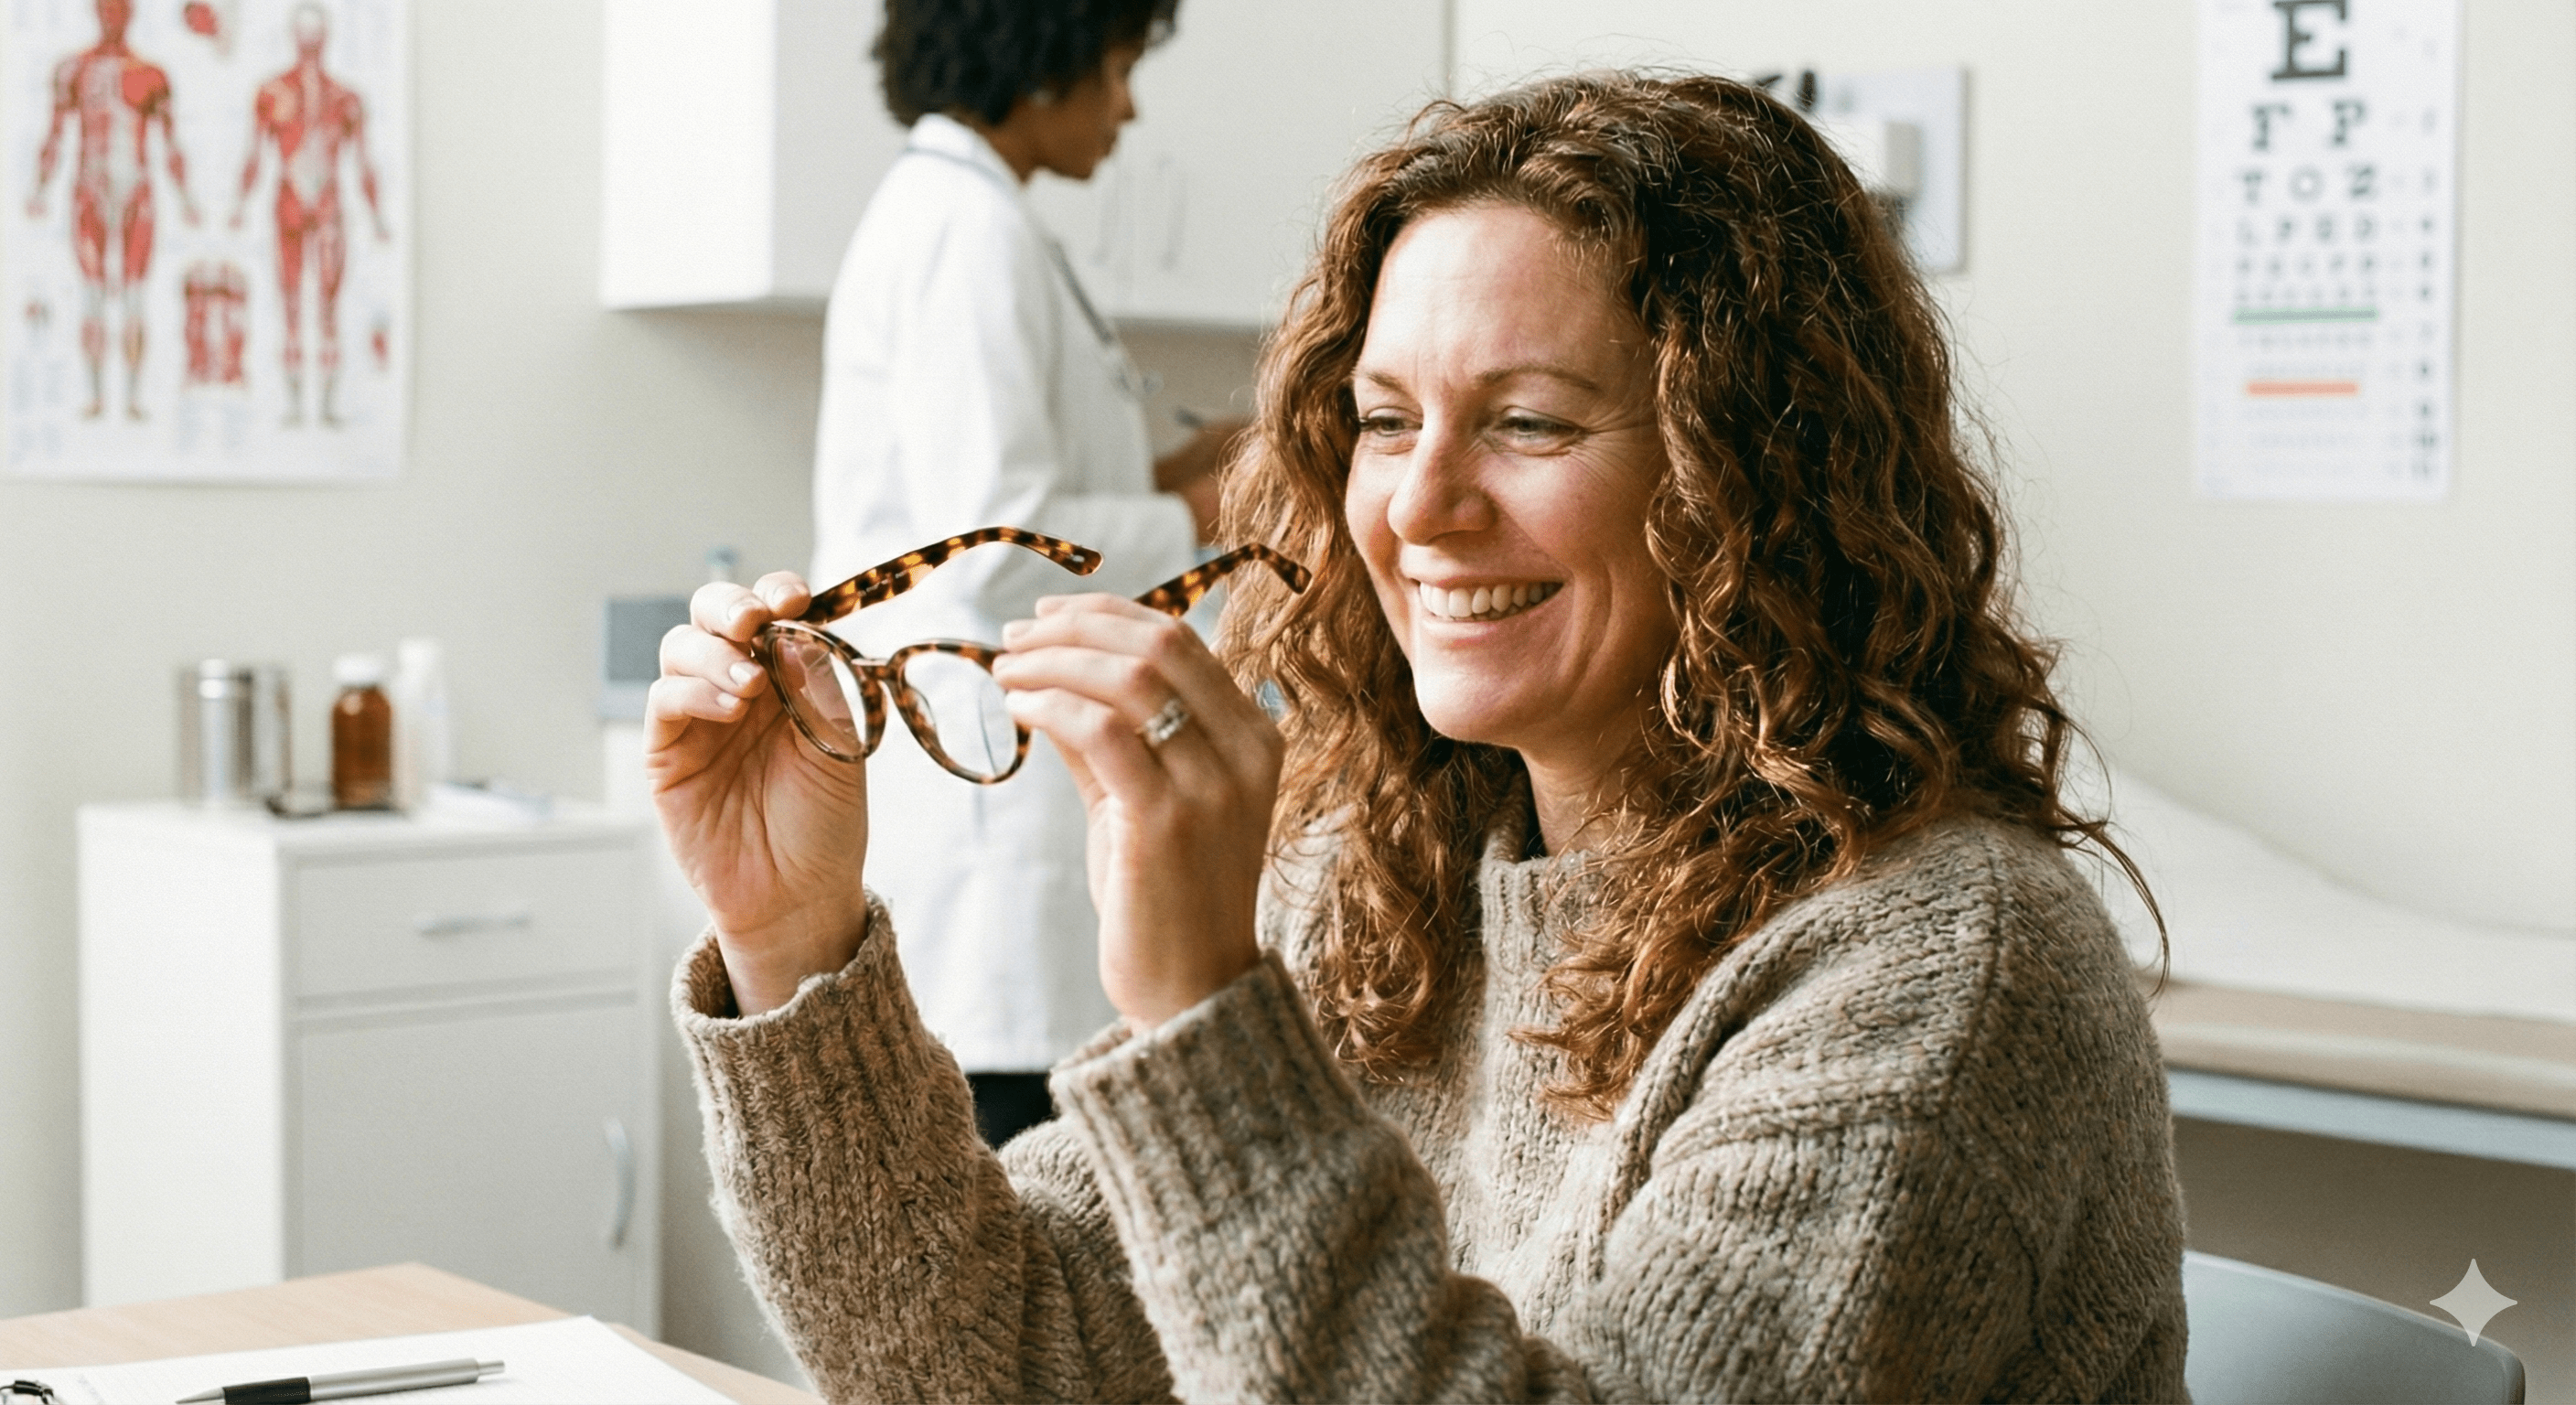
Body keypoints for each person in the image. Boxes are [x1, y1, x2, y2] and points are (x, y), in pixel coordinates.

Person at [649, 72, 2189, 1401]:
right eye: (1387, 421)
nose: (1421, 507)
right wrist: (791, 941)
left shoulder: (1940, 966)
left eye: (1526, 421)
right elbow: (1011, 1357)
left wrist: (1203, 1018)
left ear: (1755, 482)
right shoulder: (1378, 889)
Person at [813, 0, 1241, 1149]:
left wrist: (1190, 467)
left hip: (996, 793)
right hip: (989, 814)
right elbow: (997, 547)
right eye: (1114, 68)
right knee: (1016, 1188)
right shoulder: (966, 231)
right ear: (1042, 64)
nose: (1129, 104)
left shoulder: (967, 216)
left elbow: (1005, 495)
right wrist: (1200, 509)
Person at [25, 0, 199, 422]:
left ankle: (134, 397)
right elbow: (54, 136)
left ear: (130, 15)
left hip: (136, 188)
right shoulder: (73, 70)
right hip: (89, 187)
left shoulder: (151, 74)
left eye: (119, 10)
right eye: (106, 9)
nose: (112, 18)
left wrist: (186, 198)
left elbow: (170, 143)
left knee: (135, 298)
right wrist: (39, 189)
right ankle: (98, 397)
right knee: (92, 296)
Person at [230, 0, 390, 428]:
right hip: (289, 204)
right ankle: (296, 405)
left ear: (326, 38)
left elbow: (364, 163)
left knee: (328, 309)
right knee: (291, 306)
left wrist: (377, 218)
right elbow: (255, 155)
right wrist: (238, 206)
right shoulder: (272, 94)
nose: (309, 43)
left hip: (330, 206)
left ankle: (329, 406)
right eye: (303, 34)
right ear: (293, 37)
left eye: (315, 35)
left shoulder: (346, 99)